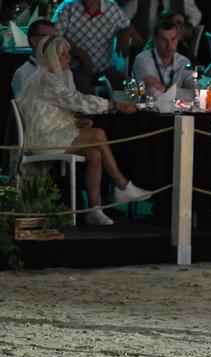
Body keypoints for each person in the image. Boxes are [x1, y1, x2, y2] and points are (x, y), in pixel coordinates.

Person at [16, 36, 150, 226]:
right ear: (53, 57)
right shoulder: (46, 78)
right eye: (63, 55)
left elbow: (57, 109)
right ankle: (121, 185)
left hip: (52, 133)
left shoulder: (54, 77)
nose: (68, 58)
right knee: (98, 134)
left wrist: (75, 123)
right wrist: (113, 104)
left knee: (95, 153)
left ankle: (94, 209)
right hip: (42, 139)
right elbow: (75, 100)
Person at [53, 0, 143, 93]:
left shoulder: (112, 8)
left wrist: (124, 37)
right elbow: (55, 38)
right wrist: (80, 54)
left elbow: (126, 27)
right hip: (76, 68)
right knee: (84, 92)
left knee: (130, 90)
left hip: (105, 67)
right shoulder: (67, 7)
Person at [133, 20, 193, 98]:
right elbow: (152, 94)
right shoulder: (142, 59)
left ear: (178, 39)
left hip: (176, 109)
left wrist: (165, 89)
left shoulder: (184, 62)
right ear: (155, 40)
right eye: (164, 40)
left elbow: (195, 93)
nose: (169, 45)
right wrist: (181, 93)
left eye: (173, 39)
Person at [11, 19, 56, 96]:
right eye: (48, 38)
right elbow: (27, 106)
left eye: (54, 37)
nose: (54, 42)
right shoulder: (22, 73)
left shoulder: (63, 69)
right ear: (34, 41)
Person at [122, 0, 201, 43]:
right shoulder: (140, 1)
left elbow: (196, 15)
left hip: (172, 51)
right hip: (144, 47)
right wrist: (130, 30)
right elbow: (121, 17)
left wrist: (189, 25)